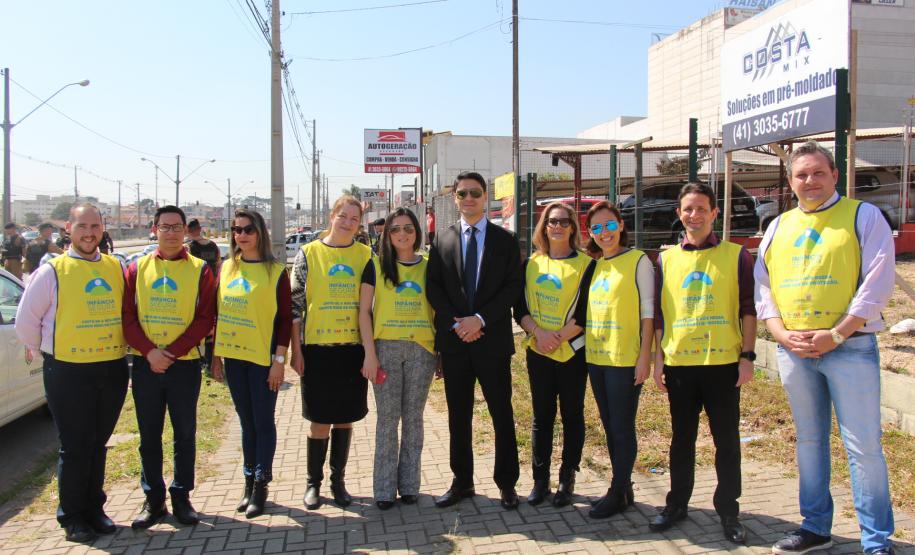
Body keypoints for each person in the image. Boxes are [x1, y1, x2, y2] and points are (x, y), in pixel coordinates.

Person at [756, 141, 896, 555]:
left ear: (835, 175)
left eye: (818, 172)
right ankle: (815, 528)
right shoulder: (778, 227)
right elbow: (764, 288)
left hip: (850, 347)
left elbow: (877, 282)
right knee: (809, 442)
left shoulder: (862, 215)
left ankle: (876, 542)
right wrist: (781, 335)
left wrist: (836, 334)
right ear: (790, 182)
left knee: (863, 447)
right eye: (801, 175)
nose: (810, 181)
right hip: (795, 351)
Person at [649, 182, 756, 545]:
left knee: (726, 441)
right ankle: (677, 505)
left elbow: (748, 309)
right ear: (678, 214)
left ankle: (728, 511)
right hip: (680, 365)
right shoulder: (665, 260)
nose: (694, 215)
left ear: (714, 212)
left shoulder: (736, 256)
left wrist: (747, 356)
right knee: (682, 440)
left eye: (701, 208)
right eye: (687, 209)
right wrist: (658, 360)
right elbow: (660, 315)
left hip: (723, 364)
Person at [14, 204, 128, 543]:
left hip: (111, 367)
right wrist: (49, 352)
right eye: (82, 226)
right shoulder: (52, 271)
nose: (89, 233)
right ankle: (72, 515)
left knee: (98, 443)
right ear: (69, 228)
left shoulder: (115, 267)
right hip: (68, 370)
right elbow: (26, 322)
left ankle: (95, 508)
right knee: (75, 445)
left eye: (95, 226)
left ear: (102, 228)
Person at [426, 171, 523, 510]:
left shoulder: (505, 240)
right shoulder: (442, 240)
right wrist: (458, 323)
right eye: (462, 193)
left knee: (501, 414)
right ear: (455, 198)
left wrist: (479, 320)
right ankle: (462, 481)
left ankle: (507, 483)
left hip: (492, 342)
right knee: (458, 417)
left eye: (475, 193)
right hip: (455, 344)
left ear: (485, 197)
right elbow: (434, 287)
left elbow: (512, 287)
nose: (469, 198)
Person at [122, 205, 217, 529]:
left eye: (177, 226)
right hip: (146, 365)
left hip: (184, 366)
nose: (172, 232)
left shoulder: (200, 270)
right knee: (149, 435)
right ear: (155, 229)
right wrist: (150, 352)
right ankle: (153, 500)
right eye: (165, 226)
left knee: (184, 434)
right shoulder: (136, 268)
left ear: (185, 230)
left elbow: (205, 318)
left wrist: (171, 353)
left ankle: (181, 496)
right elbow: (127, 317)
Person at [290, 195, 373, 510]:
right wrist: (296, 351)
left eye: (354, 218)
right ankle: (313, 483)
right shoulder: (309, 253)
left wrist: (370, 352)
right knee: (319, 421)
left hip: (352, 350)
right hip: (317, 350)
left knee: (345, 419)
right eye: (343, 216)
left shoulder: (366, 255)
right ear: (332, 216)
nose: (348, 223)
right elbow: (295, 307)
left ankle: (338, 482)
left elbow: (372, 305)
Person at [574, 201, 654, 518]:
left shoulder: (638, 261)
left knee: (622, 426)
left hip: (625, 358)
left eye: (609, 225)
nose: (604, 232)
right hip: (597, 357)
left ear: (621, 225)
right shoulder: (594, 266)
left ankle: (617, 491)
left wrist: (645, 356)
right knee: (609, 425)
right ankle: (624, 488)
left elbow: (648, 313)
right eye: (596, 227)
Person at [211, 209, 291, 519]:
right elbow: (219, 314)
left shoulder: (276, 272)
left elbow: (284, 321)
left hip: (263, 361)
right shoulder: (227, 268)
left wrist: (279, 362)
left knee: (262, 422)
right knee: (246, 423)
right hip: (234, 358)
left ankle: (261, 485)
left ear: (260, 233)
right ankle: (247, 482)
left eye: (248, 229)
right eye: (237, 229)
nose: (241, 235)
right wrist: (216, 357)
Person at [358, 207, 437, 510]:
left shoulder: (430, 266)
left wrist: (440, 353)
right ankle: (384, 489)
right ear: (386, 235)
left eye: (408, 228)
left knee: (413, 418)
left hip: (421, 350)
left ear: (417, 232)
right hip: (385, 350)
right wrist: (370, 354)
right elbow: (364, 312)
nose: (402, 234)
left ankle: (410, 485)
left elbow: (441, 310)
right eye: (395, 229)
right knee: (388, 420)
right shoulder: (375, 266)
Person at [513, 201, 591, 507]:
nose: (557, 226)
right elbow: (519, 308)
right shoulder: (531, 264)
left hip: (571, 352)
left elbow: (585, 313)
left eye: (563, 221)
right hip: (539, 351)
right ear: (543, 227)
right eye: (551, 221)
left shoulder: (586, 264)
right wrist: (539, 334)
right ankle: (540, 479)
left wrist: (557, 338)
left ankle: (567, 478)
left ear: (573, 227)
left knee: (572, 416)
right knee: (541, 417)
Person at [186, 218, 221, 370]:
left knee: (197, 322)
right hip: (213, 288)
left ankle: (201, 359)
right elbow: (218, 264)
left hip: (197, 290)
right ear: (200, 229)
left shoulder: (189, 247)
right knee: (212, 324)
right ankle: (211, 359)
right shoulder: (213, 245)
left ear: (188, 231)